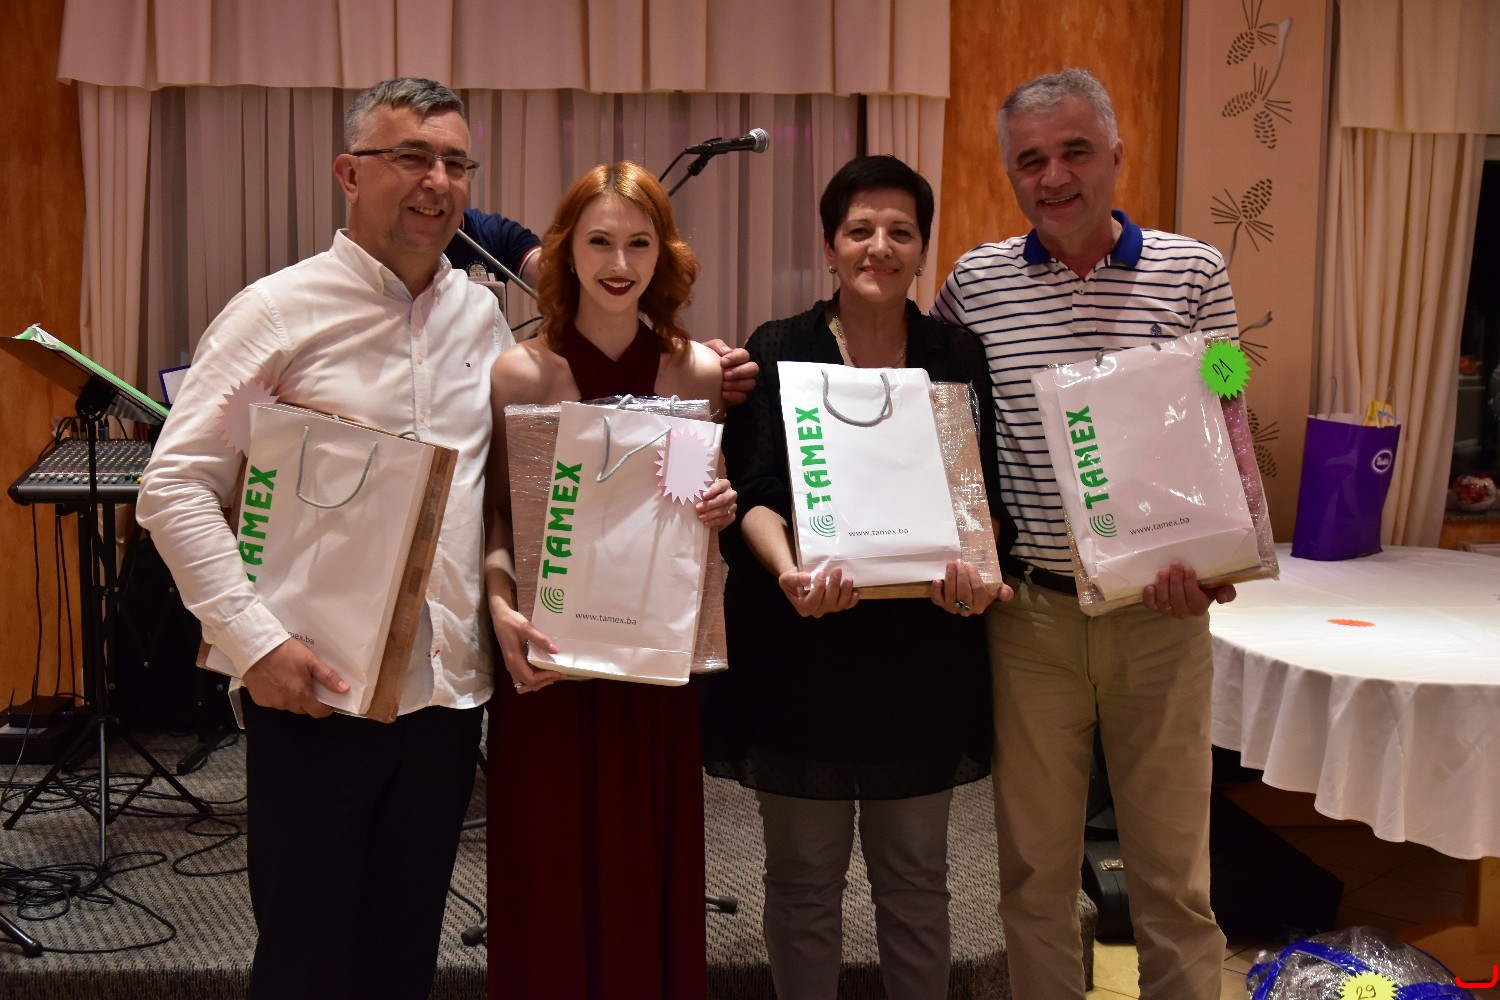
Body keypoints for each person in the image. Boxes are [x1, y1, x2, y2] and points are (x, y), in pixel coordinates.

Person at [137, 79, 506, 998]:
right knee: (305, 964)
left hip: (446, 700)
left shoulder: (483, 316)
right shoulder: (277, 311)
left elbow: (507, 480)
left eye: (455, 162)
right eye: (411, 157)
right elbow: (175, 487)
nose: (437, 182)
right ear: (349, 173)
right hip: (313, 695)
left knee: (403, 961)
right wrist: (254, 643)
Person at [932, 68, 1239, 1000]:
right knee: (1033, 877)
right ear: (1009, 174)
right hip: (1031, 619)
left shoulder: (1196, 272)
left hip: (1161, 614)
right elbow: (926, 404)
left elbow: (1228, 414)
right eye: (1030, 160)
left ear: (1116, 154)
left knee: (1173, 881)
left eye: (1074, 151)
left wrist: (1222, 559)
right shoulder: (975, 284)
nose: (1054, 176)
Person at [701, 154, 1009, 1000]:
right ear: (829, 245)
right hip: (803, 647)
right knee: (803, 881)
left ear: (922, 250)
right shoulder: (780, 348)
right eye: (860, 229)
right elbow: (754, 494)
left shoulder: (955, 353)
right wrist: (790, 571)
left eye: (901, 232)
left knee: (915, 880)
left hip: (921, 652)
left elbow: (979, 494)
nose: (880, 247)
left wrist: (979, 571)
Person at [482, 161, 737, 1000]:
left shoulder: (696, 372)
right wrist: (498, 607)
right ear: (565, 250)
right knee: (548, 872)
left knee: (644, 867)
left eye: (639, 242)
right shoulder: (521, 373)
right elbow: (495, 520)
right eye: (599, 241)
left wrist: (720, 505)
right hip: (551, 663)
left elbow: (692, 515)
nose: (619, 263)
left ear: (666, 254)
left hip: (652, 669)